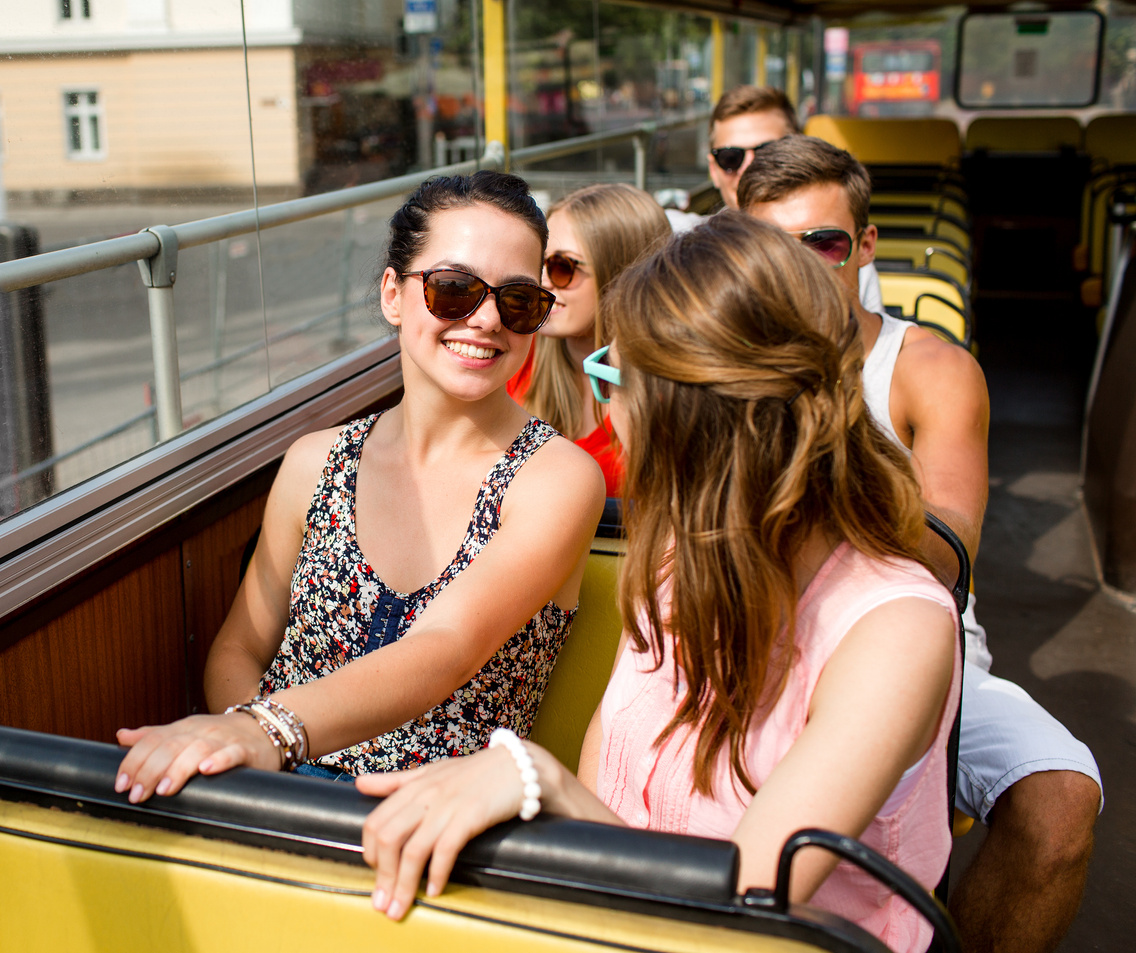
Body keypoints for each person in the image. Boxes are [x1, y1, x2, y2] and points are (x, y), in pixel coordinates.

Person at [357, 213, 961, 953]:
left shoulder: (894, 630)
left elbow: (746, 902)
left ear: (694, 412)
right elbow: (611, 795)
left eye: (615, 376)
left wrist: (539, 780)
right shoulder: (679, 557)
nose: (606, 407)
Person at [113, 171, 607, 800]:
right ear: (393, 296)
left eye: (517, 302)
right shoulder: (315, 463)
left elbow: (443, 650)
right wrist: (255, 750)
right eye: (454, 289)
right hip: (274, 789)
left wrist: (269, 731)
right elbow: (238, 647)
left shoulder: (555, 479)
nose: (486, 320)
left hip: (427, 821)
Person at [738, 135, 1103, 953]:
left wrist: (820, 440)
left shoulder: (928, 369)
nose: (797, 271)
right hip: (746, 634)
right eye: (770, 247)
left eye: (822, 245)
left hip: (918, 646)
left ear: (864, 247)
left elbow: (948, 558)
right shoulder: (716, 362)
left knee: (1061, 797)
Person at [509, 183, 671, 496]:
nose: (540, 283)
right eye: (536, 262)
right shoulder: (515, 357)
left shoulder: (667, 394)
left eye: (561, 267)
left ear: (623, 275)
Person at [669, 84, 883, 315]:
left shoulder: (839, 249)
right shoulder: (685, 242)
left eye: (767, 152)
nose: (749, 167)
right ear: (713, 169)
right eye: (730, 157)